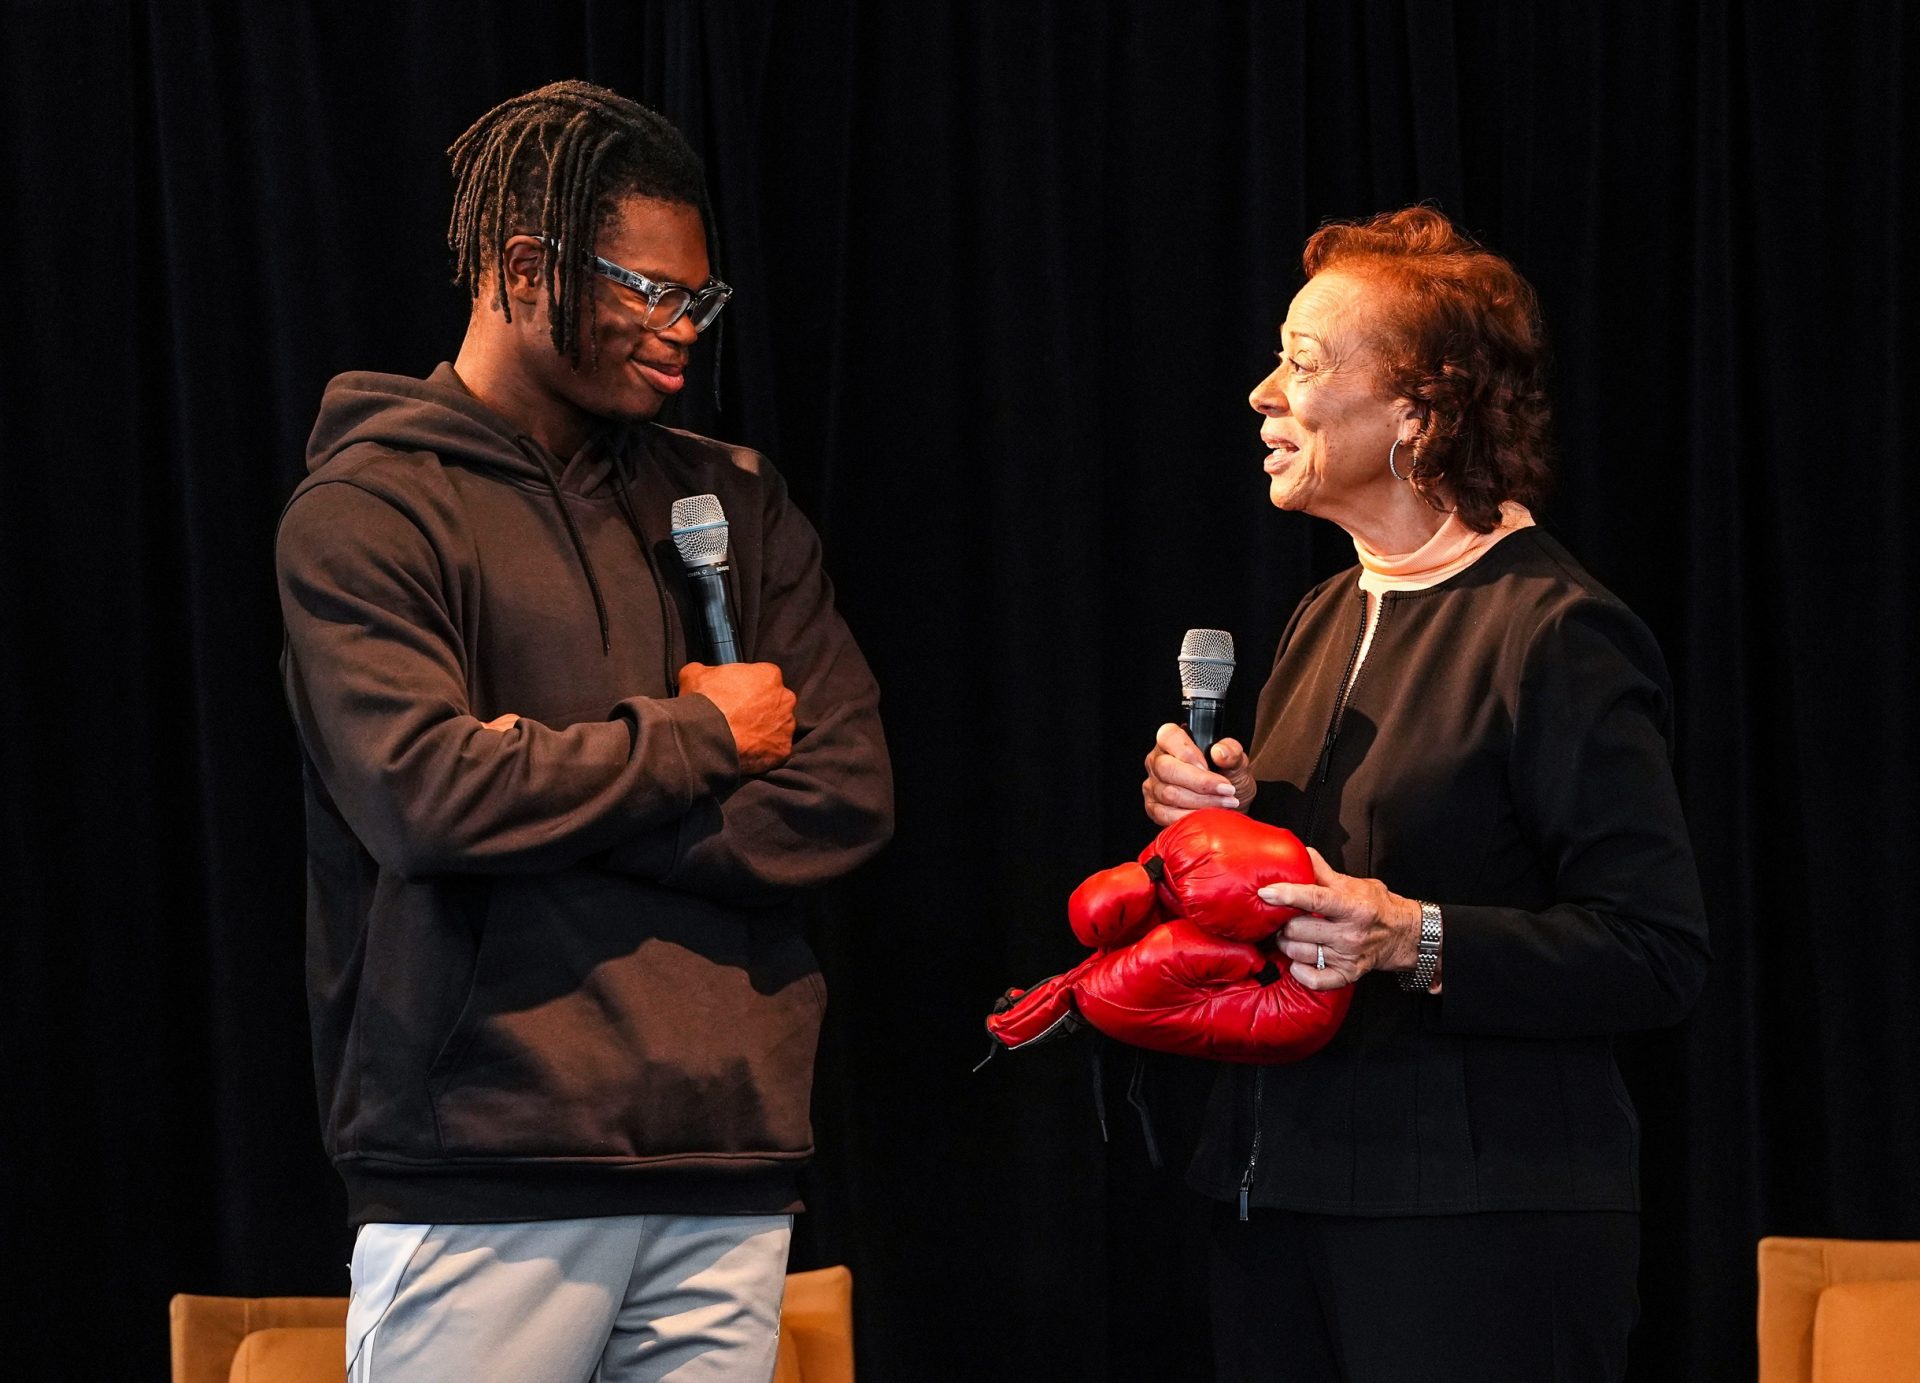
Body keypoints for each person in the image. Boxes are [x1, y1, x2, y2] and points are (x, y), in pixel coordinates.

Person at [275, 80, 892, 1383]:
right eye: (650, 291)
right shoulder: (372, 508)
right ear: (521, 265)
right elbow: (423, 797)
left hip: (731, 1150)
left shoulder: (732, 496)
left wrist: (557, 802)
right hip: (484, 1155)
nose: (681, 334)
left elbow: (843, 786)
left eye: (698, 301)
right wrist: (698, 743)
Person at [1141, 206, 1709, 1382]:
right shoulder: (1324, 613)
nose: (1261, 392)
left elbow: (1656, 951)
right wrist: (1221, 832)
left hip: (1474, 1227)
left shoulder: (1555, 633)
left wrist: (1415, 937)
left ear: (1419, 411)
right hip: (1272, 1199)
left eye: (1300, 363)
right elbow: (1306, 906)